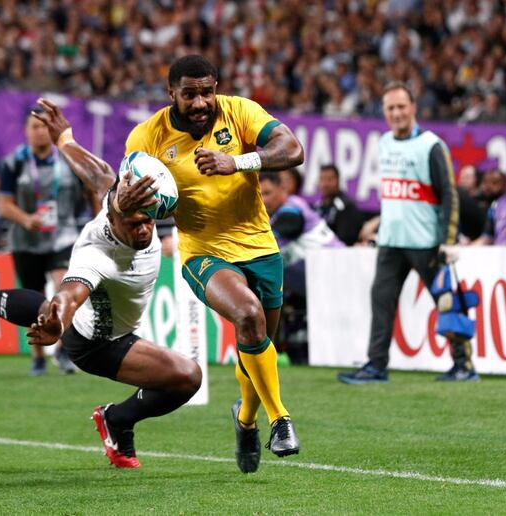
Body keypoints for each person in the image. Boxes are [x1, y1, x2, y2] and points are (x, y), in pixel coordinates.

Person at [0, 101, 200, 468]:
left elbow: (98, 174)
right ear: (115, 219)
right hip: (100, 344)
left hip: (105, 326)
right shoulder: (99, 254)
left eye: (148, 220)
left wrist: (64, 138)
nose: (144, 229)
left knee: (42, 307)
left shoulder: (116, 200)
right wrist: (60, 319)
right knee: (187, 377)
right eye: (134, 223)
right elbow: (71, 293)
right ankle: (117, 419)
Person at [122, 54, 303, 474]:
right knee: (247, 313)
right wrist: (141, 208)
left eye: (207, 92)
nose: (201, 102)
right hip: (203, 251)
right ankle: (281, 420)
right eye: (190, 94)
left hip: (260, 246)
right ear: (172, 94)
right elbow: (125, 191)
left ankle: (246, 421)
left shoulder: (239, 112)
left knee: (258, 343)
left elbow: (292, 149)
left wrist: (237, 161)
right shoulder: (147, 137)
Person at [337, 81, 478, 385]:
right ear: (384, 112)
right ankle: (376, 366)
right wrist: (378, 224)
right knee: (381, 300)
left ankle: (464, 365)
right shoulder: (385, 141)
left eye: (401, 106)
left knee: (446, 302)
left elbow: (449, 195)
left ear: (414, 108)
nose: (397, 113)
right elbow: (398, 195)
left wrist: (449, 240)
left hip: (427, 243)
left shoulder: (432, 145)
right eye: (390, 108)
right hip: (391, 241)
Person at [0, 106, 91, 376]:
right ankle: (38, 356)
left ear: (51, 131)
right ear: (26, 132)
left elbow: (89, 188)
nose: (39, 131)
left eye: (43, 127)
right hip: (26, 240)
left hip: (63, 235)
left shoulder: (68, 159)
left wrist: (97, 217)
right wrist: (26, 219)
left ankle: (63, 350)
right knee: (33, 298)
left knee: (63, 287)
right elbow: (3, 204)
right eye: (33, 127)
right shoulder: (14, 162)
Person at [260, 172, 344, 364]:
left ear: (283, 190)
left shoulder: (292, 207)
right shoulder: (271, 218)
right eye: (260, 194)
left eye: (268, 193)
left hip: (341, 272)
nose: (264, 199)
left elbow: (291, 224)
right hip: (319, 288)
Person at [314, 164, 365, 246]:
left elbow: (345, 240)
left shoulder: (346, 207)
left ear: (338, 180)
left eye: (330, 179)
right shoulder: (318, 206)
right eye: (322, 179)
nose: (325, 184)